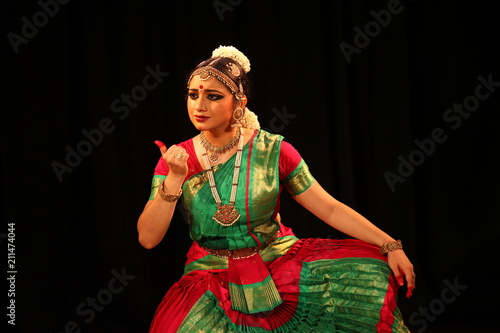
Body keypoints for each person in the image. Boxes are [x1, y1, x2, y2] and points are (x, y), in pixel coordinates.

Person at [137, 45, 415, 332]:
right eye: (193, 95)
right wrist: (174, 179)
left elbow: (329, 208)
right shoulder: (178, 160)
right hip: (210, 271)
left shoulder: (273, 150)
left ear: (239, 103)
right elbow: (148, 238)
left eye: (213, 96)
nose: (199, 105)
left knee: (369, 278)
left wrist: (389, 244)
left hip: (277, 260)